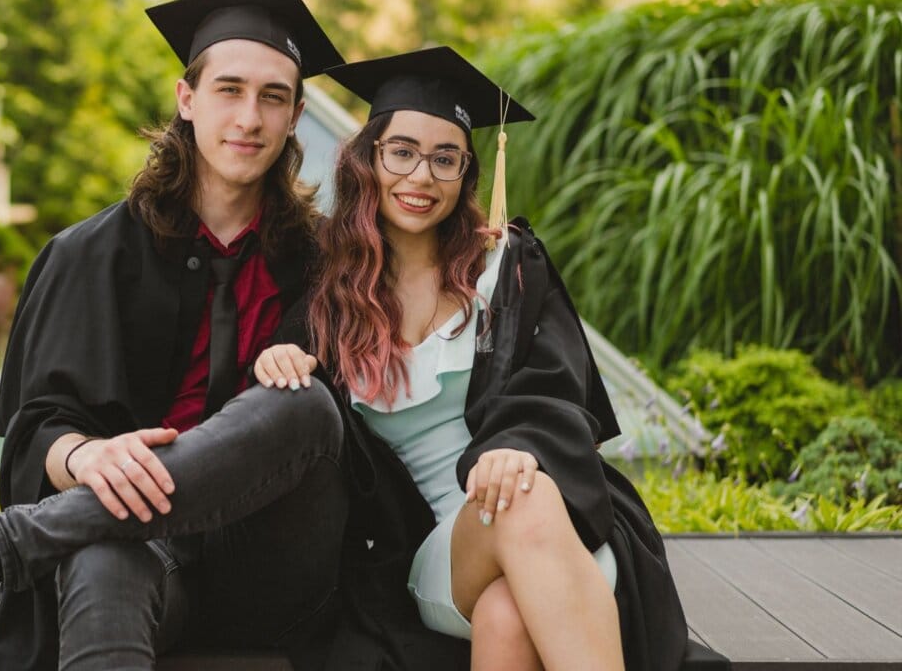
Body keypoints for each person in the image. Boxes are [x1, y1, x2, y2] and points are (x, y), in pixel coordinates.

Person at [0, 0, 350, 671]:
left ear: (294, 116)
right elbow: (36, 428)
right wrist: (84, 455)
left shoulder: (329, 260)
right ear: (186, 99)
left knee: (304, 404)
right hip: (142, 552)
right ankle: (16, 549)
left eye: (273, 97)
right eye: (229, 90)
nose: (249, 118)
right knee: (105, 556)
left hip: (272, 563)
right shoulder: (88, 256)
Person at [253, 46, 692, 670]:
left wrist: (521, 445)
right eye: (401, 151)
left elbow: (558, 389)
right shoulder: (326, 293)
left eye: (444, 159)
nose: (422, 176)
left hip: (555, 523)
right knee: (516, 509)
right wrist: (280, 361)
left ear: (466, 173)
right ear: (367, 159)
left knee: (508, 607)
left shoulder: (504, 269)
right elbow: (291, 381)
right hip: (438, 548)